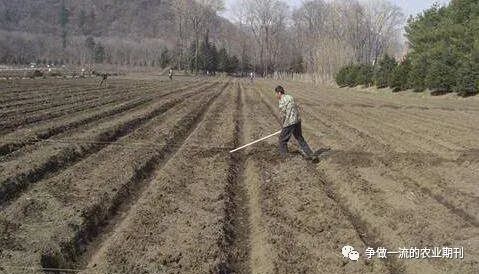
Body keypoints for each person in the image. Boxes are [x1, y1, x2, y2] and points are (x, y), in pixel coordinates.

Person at [275, 85, 316, 160]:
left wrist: (284, 126)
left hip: (289, 122)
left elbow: (283, 114)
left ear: (279, 93)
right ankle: (311, 154)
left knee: (282, 140)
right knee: (299, 138)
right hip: (297, 120)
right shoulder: (290, 97)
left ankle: (285, 157)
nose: (276, 95)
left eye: (276, 93)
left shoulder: (281, 101)